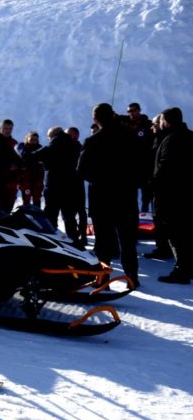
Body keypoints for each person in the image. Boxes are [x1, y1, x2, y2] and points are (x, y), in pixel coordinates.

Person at [77, 103, 140, 287]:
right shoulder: (130, 137)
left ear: (95, 120)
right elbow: (140, 164)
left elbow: (81, 171)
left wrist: (99, 180)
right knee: (127, 241)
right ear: (113, 115)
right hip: (126, 196)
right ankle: (132, 278)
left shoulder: (92, 141)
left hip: (102, 198)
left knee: (103, 243)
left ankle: (103, 279)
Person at [153, 107, 193, 284]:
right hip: (188, 194)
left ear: (166, 121)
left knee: (176, 235)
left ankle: (182, 271)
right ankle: (187, 267)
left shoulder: (170, 140)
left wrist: (153, 184)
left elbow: (165, 168)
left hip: (172, 196)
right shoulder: (190, 136)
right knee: (186, 232)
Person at [33, 127, 80, 242]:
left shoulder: (54, 144)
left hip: (54, 188)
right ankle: (74, 245)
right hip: (70, 187)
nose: (49, 140)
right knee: (69, 218)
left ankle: (52, 244)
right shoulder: (74, 145)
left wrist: (20, 148)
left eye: (49, 137)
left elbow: (33, 156)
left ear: (54, 135)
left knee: (50, 218)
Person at [144, 114, 173, 260]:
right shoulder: (158, 138)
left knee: (163, 220)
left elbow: (163, 166)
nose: (152, 126)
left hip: (163, 188)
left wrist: (152, 182)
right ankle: (163, 247)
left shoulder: (165, 140)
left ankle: (165, 249)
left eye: (155, 123)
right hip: (162, 186)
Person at [119, 102, 154, 213]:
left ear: (139, 110)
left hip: (144, 163)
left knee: (146, 194)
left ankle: (146, 213)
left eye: (134, 110)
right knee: (129, 193)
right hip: (129, 165)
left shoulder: (147, 124)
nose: (131, 113)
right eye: (129, 111)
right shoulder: (124, 123)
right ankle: (131, 214)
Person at [67, 126, 89, 246]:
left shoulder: (80, 148)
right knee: (71, 212)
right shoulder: (66, 147)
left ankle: (83, 236)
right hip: (69, 184)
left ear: (76, 135)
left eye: (69, 134)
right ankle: (76, 235)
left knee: (80, 211)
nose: (67, 136)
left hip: (77, 184)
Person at [0, 119, 22, 212]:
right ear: (1, 128)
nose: (7, 130)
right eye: (5, 128)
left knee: (8, 208)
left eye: (10, 128)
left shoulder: (14, 144)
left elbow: (19, 161)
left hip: (11, 182)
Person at [15, 131, 44, 207]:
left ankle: (38, 217)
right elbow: (23, 155)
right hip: (26, 180)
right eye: (31, 139)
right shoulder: (22, 148)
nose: (33, 141)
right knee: (26, 200)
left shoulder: (41, 149)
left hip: (37, 180)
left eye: (35, 140)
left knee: (37, 201)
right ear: (27, 139)